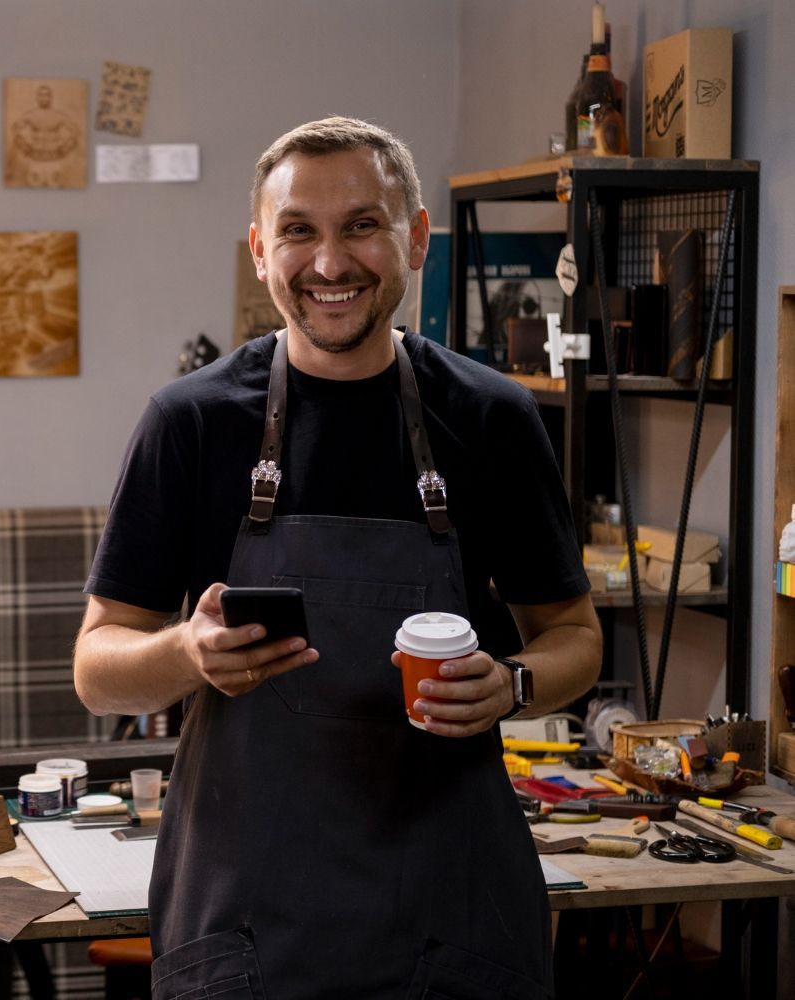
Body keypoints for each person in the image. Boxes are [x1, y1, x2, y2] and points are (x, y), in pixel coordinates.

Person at [74, 117, 601, 997]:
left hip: (452, 912)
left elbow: (573, 635)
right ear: (259, 249)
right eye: (298, 232)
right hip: (247, 921)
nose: (329, 264)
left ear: (417, 236)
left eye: (362, 225)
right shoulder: (192, 423)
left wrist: (511, 683)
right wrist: (185, 654)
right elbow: (97, 668)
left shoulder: (491, 417)